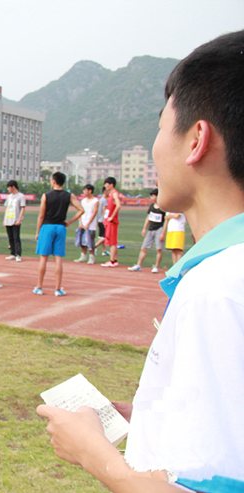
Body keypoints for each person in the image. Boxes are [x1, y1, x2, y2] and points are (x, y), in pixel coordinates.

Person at [37, 30, 244, 491]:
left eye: (160, 127)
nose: (155, 146)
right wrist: (150, 418)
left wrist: (94, 453)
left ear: (196, 139)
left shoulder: (217, 290)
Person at [33, 172, 84, 296]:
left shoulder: (46, 196)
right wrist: (70, 222)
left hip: (47, 227)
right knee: (58, 258)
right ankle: (57, 289)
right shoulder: (69, 196)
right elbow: (81, 210)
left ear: (54, 181)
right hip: (61, 227)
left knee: (43, 258)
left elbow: (41, 216)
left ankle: (39, 287)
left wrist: (38, 231)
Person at [128, 189, 167, 273]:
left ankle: (156, 266)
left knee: (158, 249)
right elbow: (148, 217)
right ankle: (138, 265)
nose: (152, 198)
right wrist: (144, 228)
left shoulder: (163, 207)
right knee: (143, 248)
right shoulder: (152, 206)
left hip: (159, 229)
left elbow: (166, 220)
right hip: (150, 229)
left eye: (153, 196)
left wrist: (163, 233)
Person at [74, 184, 99, 265]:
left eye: (85, 190)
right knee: (82, 240)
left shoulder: (95, 201)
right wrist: (80, 222)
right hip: (83, 223)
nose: (84, 192)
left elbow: (94, 213)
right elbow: (80, 211)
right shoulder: (83, 201)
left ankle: (91, 257)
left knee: (90, 241)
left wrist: (88, 223)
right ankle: (83, 256)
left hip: (91, 225)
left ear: (90, 191)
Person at [100, 177, 121, 267]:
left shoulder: (115, 194)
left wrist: (112, 216)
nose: (105, 186)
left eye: (107, 184)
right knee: (112, 241)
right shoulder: (111, 194)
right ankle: (114, 260)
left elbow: (118, 205)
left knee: (112, 242)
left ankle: (112, 261)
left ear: (111, 185)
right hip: (109, 221)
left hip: (112, 221)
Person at [3, 180, 26, 262]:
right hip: (8, 219)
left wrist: (19, 219)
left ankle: (18, 254)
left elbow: (23, 208)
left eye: (9, 187)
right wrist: (4, 219)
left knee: (16, 238)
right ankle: (12, 253)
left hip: (15, 220)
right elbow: (7, 208)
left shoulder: (21, 196)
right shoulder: (9, 197)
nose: (8, 189)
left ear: (13, 187)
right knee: (10, 237)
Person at [94, 188, 109, 256]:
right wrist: (106, 219)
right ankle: (94, 247)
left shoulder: (100, 199)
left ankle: (104, 251)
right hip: (103, 220)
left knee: (101, 237)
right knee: (106, 236)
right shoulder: (104, 200)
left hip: (99, 220)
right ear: (105, 192)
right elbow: (104, 210)